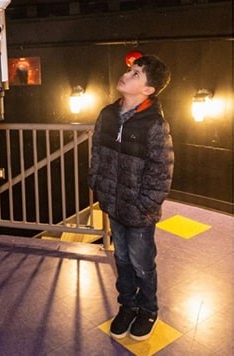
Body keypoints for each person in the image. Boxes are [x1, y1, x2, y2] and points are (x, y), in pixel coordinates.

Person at [88, 54, 173, 341]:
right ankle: (127, 306)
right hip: (113, 204)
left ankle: (148, 310)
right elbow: (97, 154)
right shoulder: (107, 114)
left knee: (142, 263)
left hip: (139, 213)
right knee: (121, 259)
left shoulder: (155, 125)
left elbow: (162, 173)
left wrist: (144, 206)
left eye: (136, 73)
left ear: (148, 89)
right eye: (130, 70)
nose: (128, 74)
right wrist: (98, 185)